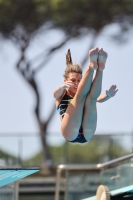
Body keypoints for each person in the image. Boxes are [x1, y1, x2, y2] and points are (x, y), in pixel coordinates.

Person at [53, 47, 118, 143]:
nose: (76, 83)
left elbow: (98, 99)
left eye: (79, 80)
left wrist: (108, 95)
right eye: (73, 80)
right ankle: (91, 66)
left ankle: (100, 68)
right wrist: (62, 87)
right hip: (69, 132)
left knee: (91, 100)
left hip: (86, 133)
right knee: (80, 96)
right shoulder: (62, 94)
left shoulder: (85, 91)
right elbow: (55, 94)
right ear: (65, 81)